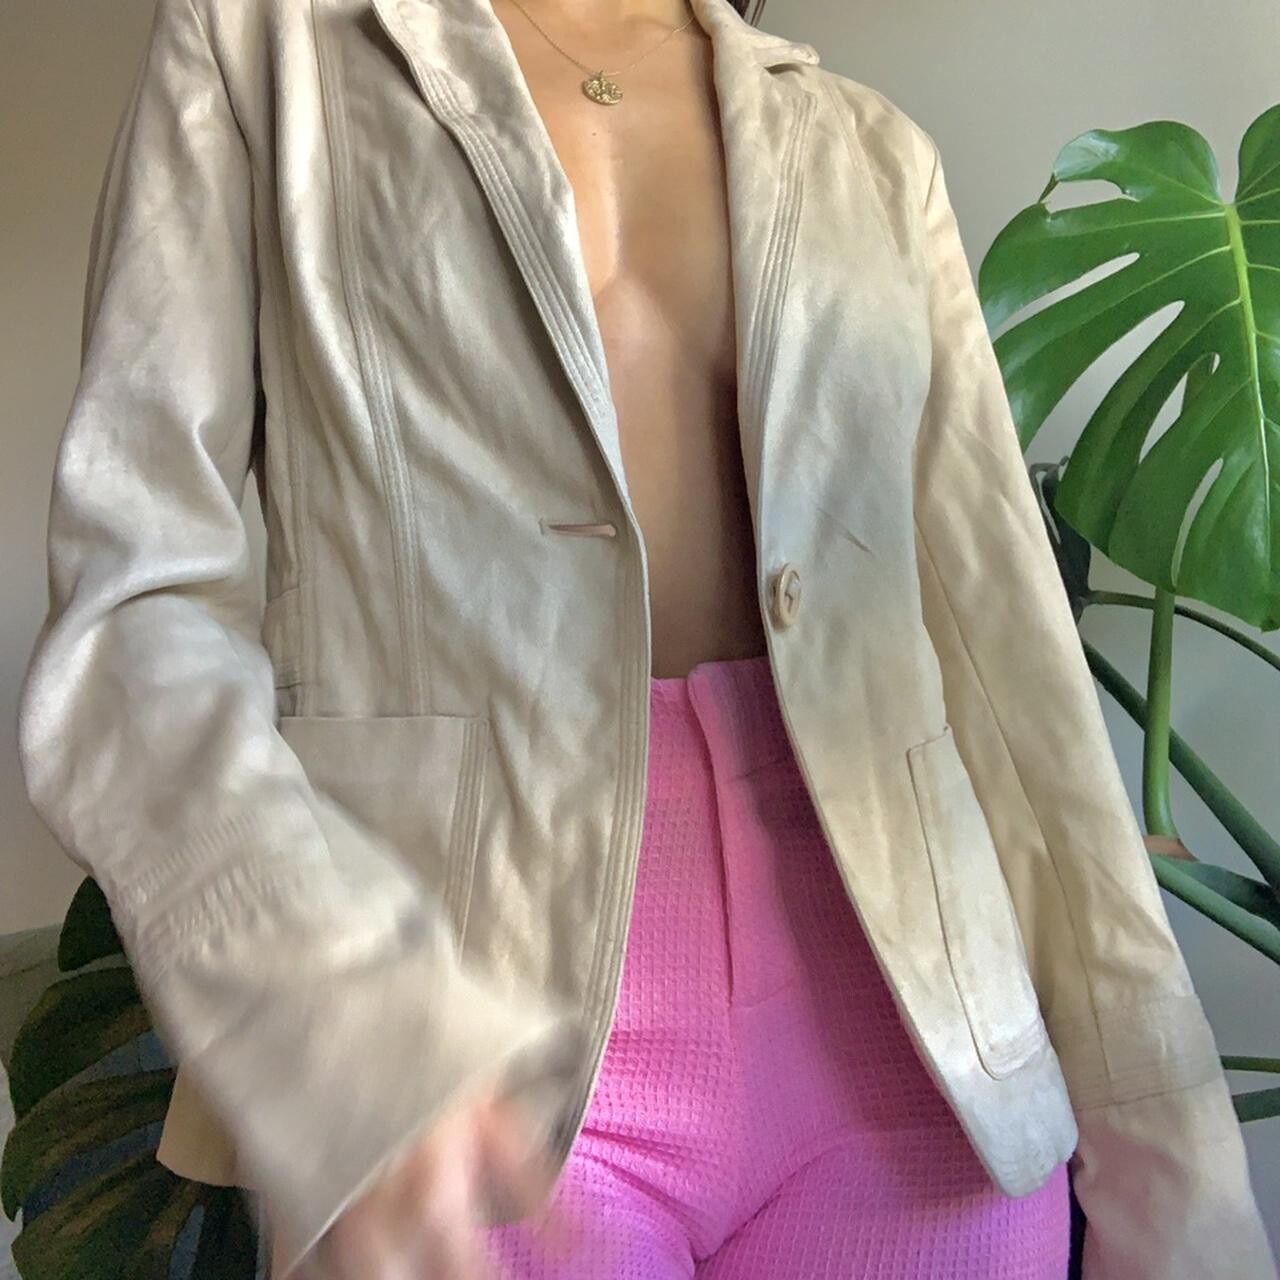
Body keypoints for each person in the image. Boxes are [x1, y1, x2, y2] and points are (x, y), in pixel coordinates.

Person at [15, 0, 1275, 1277]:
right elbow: (136, 602)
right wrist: (330, 997)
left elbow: (1007, 656)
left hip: (921, 1042)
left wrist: (1167, 1155)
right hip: (472, 1039)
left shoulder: (864, 149)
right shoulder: (267, 49)